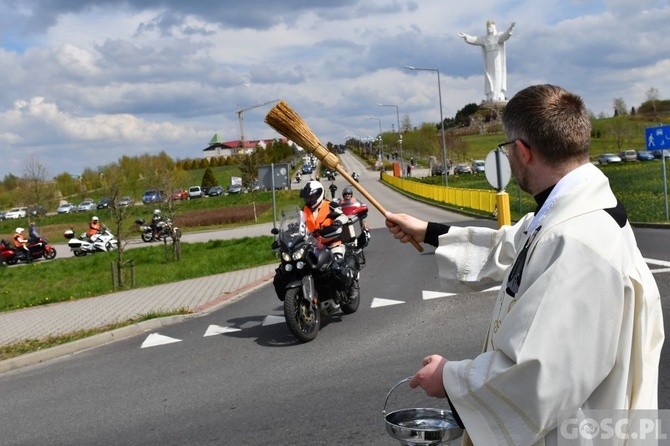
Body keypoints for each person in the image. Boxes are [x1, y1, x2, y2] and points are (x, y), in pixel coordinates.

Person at [385, 84, 664, 445]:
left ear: (521, 151)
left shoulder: (578, 243)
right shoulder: (573, 215)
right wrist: (427, 232)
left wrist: (450, 380)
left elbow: (540, 376)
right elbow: (515, 246)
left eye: (506, 149)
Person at [459, 20, 515, 102]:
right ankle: (491, 94)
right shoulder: (485, 38)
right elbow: (475, 40)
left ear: (494, 28)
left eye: (490, 27)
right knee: (490, 76)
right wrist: (466, 36)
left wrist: (510, 28)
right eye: (487, 28)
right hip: (489, 60)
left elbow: (505, 36)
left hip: (497, 59)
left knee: (498, 75)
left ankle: (499, 94)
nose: (489, 29)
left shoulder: (498, 36)